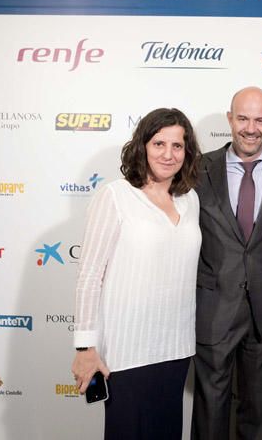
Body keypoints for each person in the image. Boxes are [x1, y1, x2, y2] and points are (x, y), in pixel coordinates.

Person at [71, 108, 202, 440]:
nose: (168, 154)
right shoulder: (116, 196)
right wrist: (85, 348)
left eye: (177, 145)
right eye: (159, 143)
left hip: (175, 349)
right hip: (125, 353)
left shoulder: (190, 200)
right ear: (142, 145)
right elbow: (89, 275)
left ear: (187, 152)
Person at [193, 87, 262, 440]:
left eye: (260, 120)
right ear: (230, 119)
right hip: (213, 308)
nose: (251, 128)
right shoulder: (196, 170)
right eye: (243, 118)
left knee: (258, 412)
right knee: (209, 412)